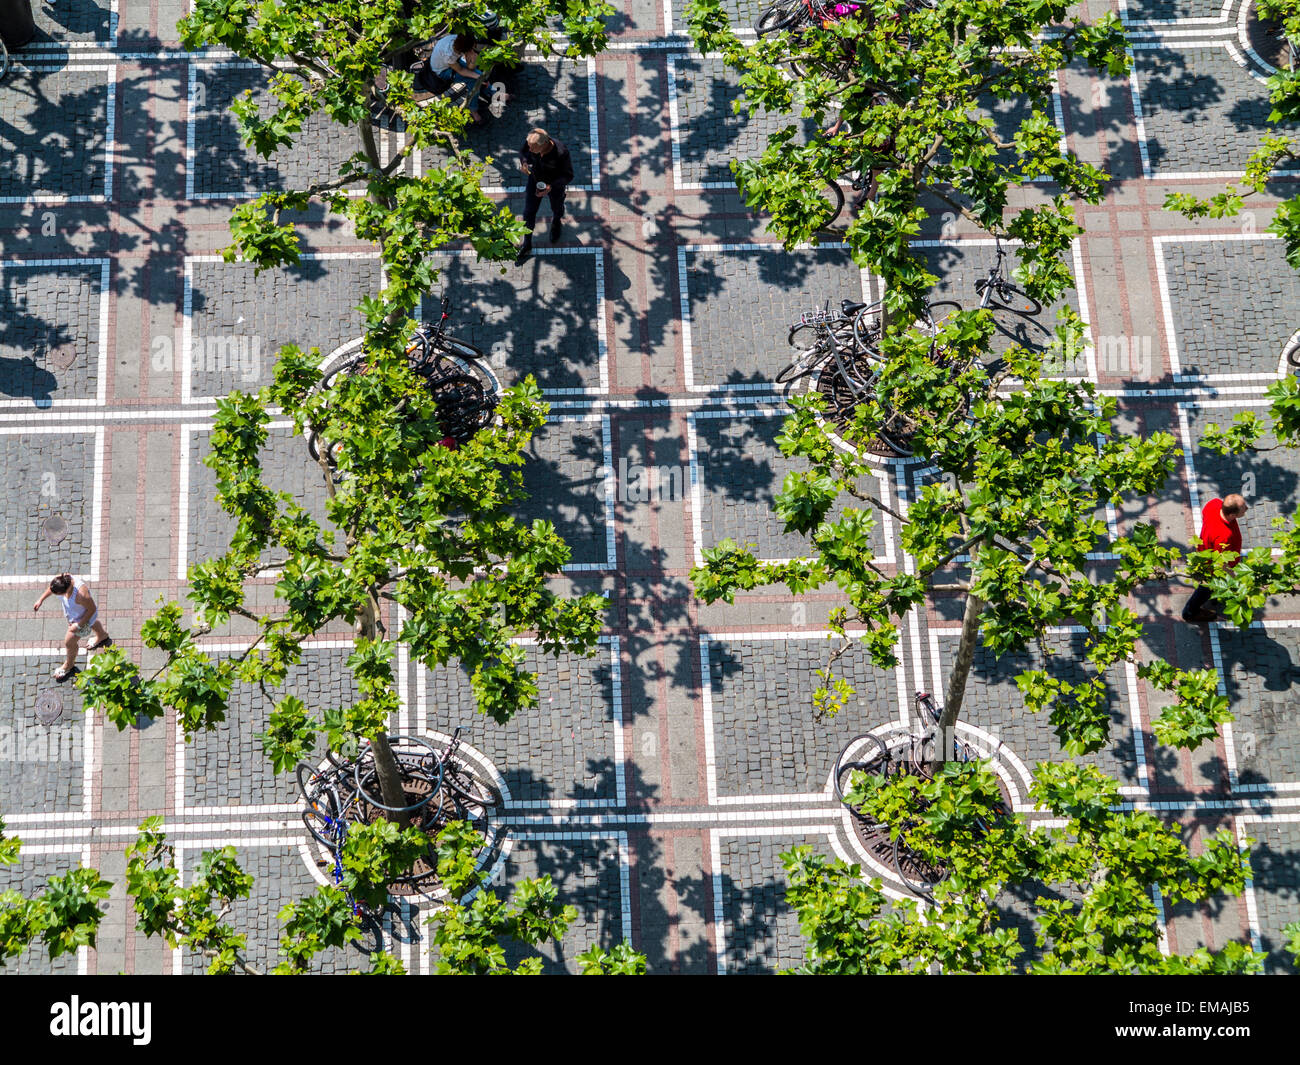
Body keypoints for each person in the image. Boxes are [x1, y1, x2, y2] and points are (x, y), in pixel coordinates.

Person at [32, 573, 113, 682]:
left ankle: (69, 665)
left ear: (65, 591)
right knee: (94, 623)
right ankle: (102, 636)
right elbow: (52, 588)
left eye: (58, 594)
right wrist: (41, 599)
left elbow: (92, 609)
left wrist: (78, 625)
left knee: (69, 642)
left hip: (83, 618)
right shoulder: (64, 579)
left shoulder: (81, 596)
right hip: (77, 614)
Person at [1182, 494, 1248, 623]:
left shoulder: (1214, 504)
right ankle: (1190, 612)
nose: (1247, 508)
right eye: (1243, 508)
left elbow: (1205, 515)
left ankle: (1214, 598)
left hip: (1204, 553)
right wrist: (1234, 579)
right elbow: (1221, 564)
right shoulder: (1223, 536)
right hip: (1212, 569)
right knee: (1205, 590)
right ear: (1232, 515)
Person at [515, 129, 574, 266]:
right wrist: (524, 162)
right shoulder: (531, 141)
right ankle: (527, 243)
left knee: (557, 207)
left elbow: (568, 175)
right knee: (528, 212)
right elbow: (523, 152)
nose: (529, 149)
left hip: (554, 186)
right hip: (535, 180)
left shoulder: (561, 153)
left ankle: (556, 222)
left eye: (532, 148)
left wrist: (551, 186)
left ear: (544, 145)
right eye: (529, 146)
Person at [418, 32, 489, 120]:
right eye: (471, 49)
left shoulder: (459, 40)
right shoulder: (449, 54)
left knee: (477, 75)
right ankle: (473, 110)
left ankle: (492, 92)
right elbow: (461, 70)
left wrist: (473, 61)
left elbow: (470, 68)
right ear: (464, 50)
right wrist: (479, 77)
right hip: (441, 72)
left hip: (449, 63)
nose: (473, 50)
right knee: (474, 81)